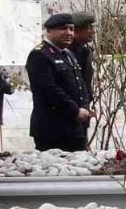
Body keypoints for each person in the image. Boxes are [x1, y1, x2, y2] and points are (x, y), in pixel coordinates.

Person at [27, 13, 93, 152]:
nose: (69, 33)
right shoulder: (40, 54)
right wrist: (75, 111)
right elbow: (49, 90)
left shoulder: (67, 54)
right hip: (52, 129)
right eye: (63, 29)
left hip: (75, 127)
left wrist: (85, 107)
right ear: (49, 31)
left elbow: (81, 85)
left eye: (71, 29)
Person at [70, 11, 96, 104]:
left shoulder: (86, 51)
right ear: (76, 30)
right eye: (89, 28)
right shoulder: (65, 53)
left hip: (83, 107)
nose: (93, 31)